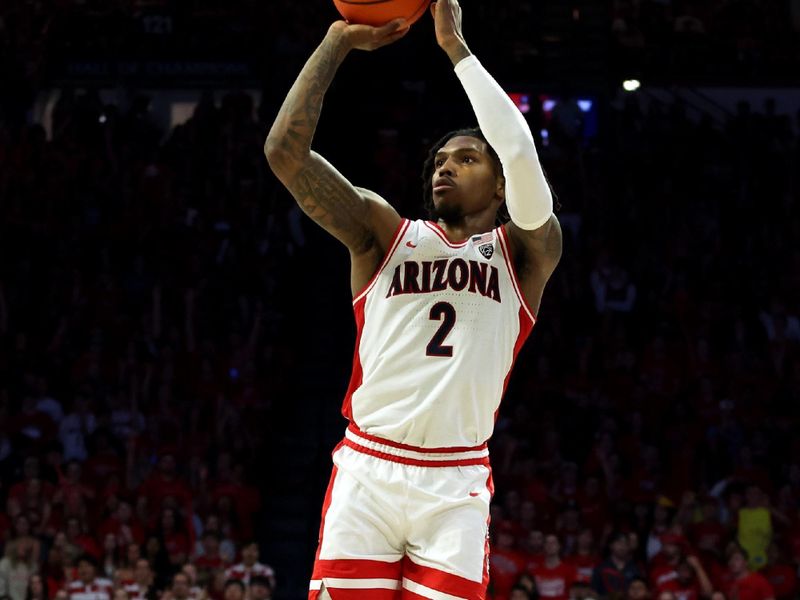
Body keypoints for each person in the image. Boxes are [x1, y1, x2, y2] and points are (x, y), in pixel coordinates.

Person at [265, 0, 562, 596]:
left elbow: (523, 156)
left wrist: (457, 50)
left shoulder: (526, 253)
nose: (443, 169)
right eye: (438, 161)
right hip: (368, 470)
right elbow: (284, 154)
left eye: (467, 158)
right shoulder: (384, 234)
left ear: (499, 182)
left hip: (454, 483)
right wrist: (335, 44)